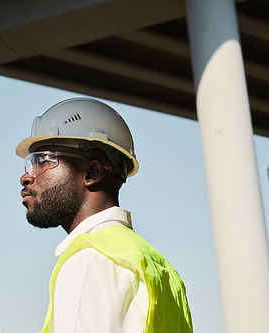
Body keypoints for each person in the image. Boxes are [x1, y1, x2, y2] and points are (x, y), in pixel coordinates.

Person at [16, 98, 193, 333]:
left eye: (44, 161)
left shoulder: (89, 260)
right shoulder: (161, 271)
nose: (27, 177)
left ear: (92, 172)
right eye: (30, 164)